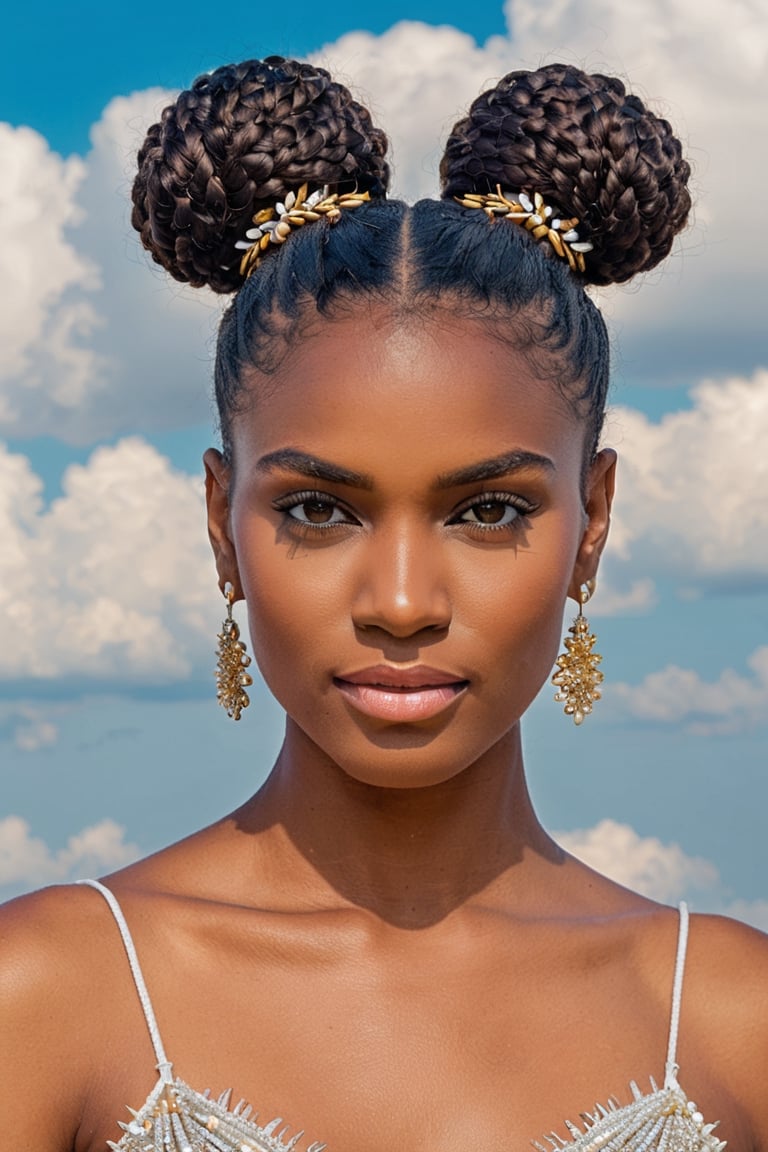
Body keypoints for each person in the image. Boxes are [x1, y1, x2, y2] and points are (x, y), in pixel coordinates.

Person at [1, 55, 766, 1152]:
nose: (402, 602)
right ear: (222, 522)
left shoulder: (735, 1021)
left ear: (592, 524)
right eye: (318, 510)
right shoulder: (46, 998)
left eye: (489, 510)